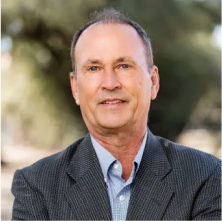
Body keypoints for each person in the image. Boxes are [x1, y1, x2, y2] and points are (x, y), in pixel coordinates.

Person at [11, 8, 222, 221]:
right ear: (75, 88)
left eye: (124, 65)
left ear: (154, 82)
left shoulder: (206, 176)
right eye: (94, 68)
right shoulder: (36, 186)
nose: (110, 83)